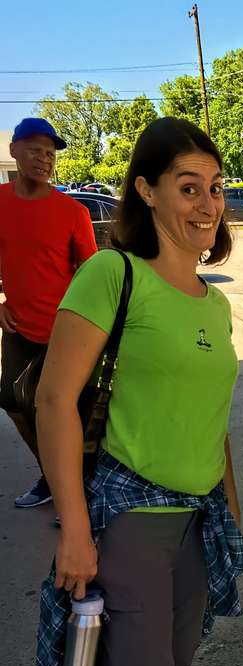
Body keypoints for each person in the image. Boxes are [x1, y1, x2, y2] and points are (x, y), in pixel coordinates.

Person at [35, 117, 243, 666]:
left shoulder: (213, 302)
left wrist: (228, 505)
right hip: (127, 519)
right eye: (187, 186)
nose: (206, 204)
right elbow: (54, 399)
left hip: (195, 523)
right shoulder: (111, 274)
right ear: (147, 191)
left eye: (215, 187)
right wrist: (73, 528)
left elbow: (212, 412)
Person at [0, 117, 96, 507]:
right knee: (12, 402)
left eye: (50, 153)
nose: (44, 159)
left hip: (65, 333)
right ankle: (53, 477)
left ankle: (79, 491)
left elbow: (91, 275)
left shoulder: (72, 212)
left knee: (67, 413)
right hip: (19, 328)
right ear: (14, 152)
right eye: (36, 150)